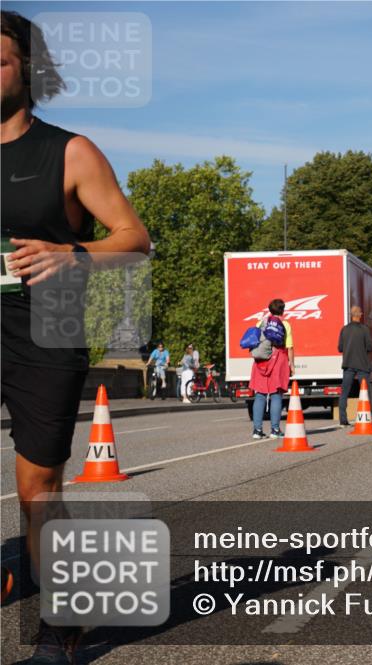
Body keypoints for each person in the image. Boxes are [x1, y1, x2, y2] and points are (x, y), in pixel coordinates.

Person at [0, 11, 151, 661]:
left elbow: (134, 237)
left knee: (38, 489)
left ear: (27, 69)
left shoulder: (70, 151)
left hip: (45, 333)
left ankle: (58, 629)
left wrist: (75, 255)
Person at [250, 299, 295, 438]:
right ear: (283, 310)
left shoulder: (260, 323)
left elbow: (255, 341)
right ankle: (275, 430)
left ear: (270, 310)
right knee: (276, 394)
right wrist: (291, 364)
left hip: (261, 361)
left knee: (260, 394)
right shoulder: (285, 324)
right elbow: (289, 347)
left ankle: (257, 430)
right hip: (279, 359)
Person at [337, 305, 372, 427]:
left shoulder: (344, 329)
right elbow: (369, 347)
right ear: (360, 314)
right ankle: (367, 415)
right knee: (365, 392)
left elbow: (340, 348)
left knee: (344, 392)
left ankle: (343, 419)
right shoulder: (364, 329)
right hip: (362, 365)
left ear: (351, 315)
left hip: (348, 364)